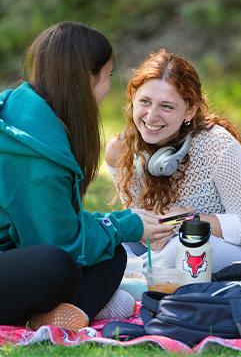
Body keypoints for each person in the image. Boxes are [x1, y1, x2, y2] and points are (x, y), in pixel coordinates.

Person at [0, 22, 173, 329]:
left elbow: (60, 222)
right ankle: (54, 314)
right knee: (55, 266)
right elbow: (59, 243)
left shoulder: (32, 116)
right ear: (86, 80)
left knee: (111, 256)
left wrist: (121, 226)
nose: (108, 88)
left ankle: (56, 316)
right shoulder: (31, 154)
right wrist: (127, 224)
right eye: (107, 77)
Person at [105, 49, 241, 272]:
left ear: (189, 110)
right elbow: (138, 226)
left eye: (166, 106)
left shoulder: (216, 144)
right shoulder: (119, 150)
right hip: (163, 246)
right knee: (108, 243)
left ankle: (137, 279)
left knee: (178, 251)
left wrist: (189, 220)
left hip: (238, 247)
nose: (151, 116)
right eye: (145, 102)